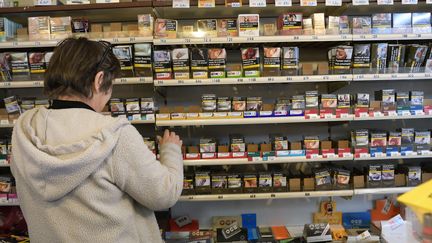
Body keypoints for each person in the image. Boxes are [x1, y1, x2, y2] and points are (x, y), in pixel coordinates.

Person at [11, 37, 184, 243]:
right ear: (99, 79)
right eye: (110, 86)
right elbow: (163, 193)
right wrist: (171, 151)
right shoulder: (115, 134)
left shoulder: (24, 131)